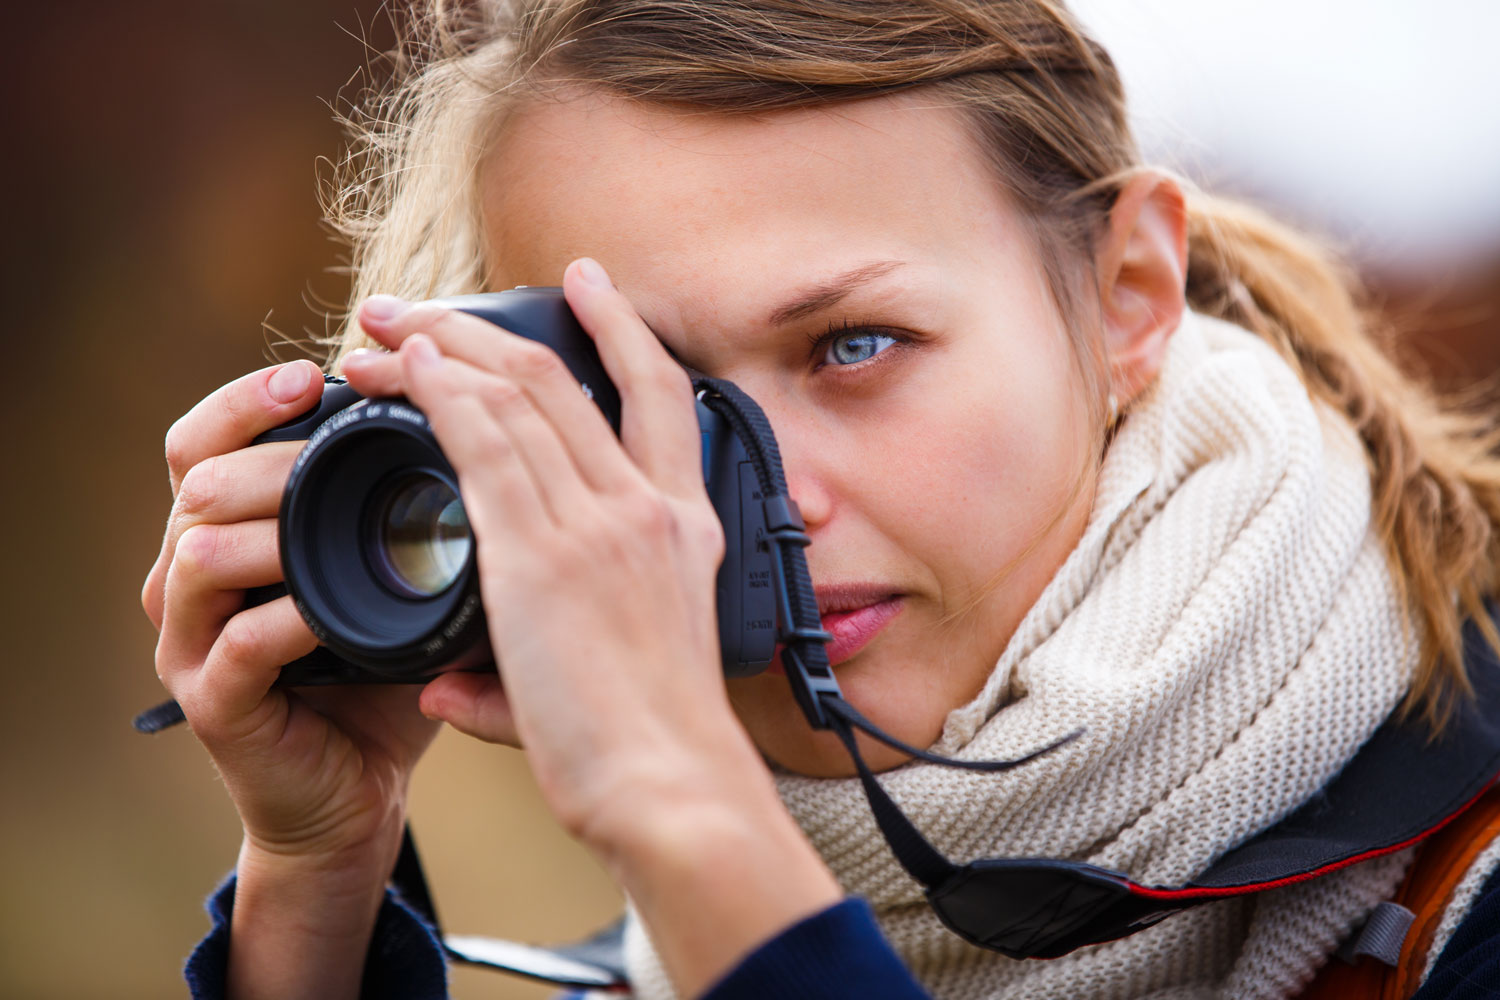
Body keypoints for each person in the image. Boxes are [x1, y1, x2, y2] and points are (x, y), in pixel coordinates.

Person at [140, 2, 1500, 998]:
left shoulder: (1464, 898)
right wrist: (315, 887)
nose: (750, 504)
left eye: (853, 347)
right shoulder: (669, 955)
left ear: (1126, 296)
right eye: (644, 390)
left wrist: (676, 795)